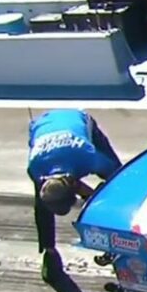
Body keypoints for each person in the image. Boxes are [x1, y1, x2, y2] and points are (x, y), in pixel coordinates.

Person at [28, 109, 123, 279]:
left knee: (118, 179)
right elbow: (43, 204)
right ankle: (49, 252)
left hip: (75, 120)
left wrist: (101, 200)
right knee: (42, 208)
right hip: (42, 126)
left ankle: (120, 238)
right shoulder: (35, 168)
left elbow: (117, 176)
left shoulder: (87, 157)